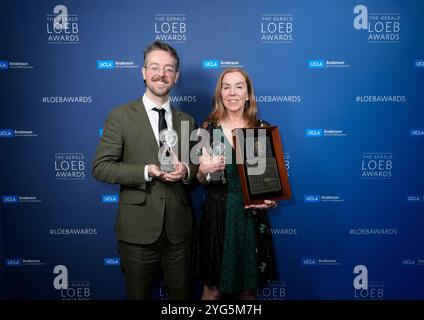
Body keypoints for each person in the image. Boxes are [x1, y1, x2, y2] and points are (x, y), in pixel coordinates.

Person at [93, 41, 197, 300]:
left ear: (176, 76)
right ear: (143, 72)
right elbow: (101, 167)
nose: (161, 74)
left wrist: (186, 171)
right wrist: (146, 170)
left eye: (168, 69)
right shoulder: (121, 116)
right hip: (137, 232)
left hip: (179, 233)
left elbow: (195, 170)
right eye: (154, 67)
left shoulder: (187, 120)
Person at [193, 68, 278, 300]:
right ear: (220, 94)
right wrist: (202, 170)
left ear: (248, 94)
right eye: (226, 87)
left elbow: (270, 185)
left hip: (251, 217)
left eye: (239, 86)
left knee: (249, 290)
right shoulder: (206, 128)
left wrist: (270, 200)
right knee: (212, 289)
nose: (232, 93)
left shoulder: (261, 129)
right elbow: (200, 180)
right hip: (218, 216)